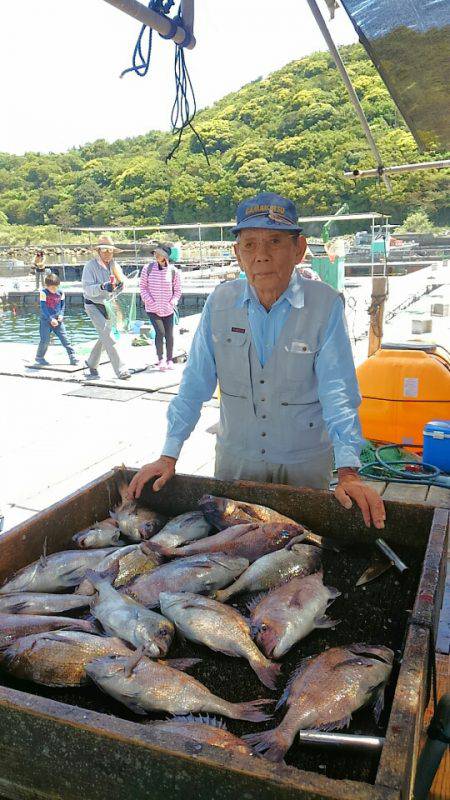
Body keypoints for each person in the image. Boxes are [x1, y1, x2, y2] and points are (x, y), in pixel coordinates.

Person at [128, 192, 385, 529]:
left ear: (299, 249)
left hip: (304, 466)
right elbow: (194, 385)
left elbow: (339, 393)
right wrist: (168, 455)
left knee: (299, 548)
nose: (261, 256)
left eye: (275, 241)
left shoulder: (325, 305)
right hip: (236, 463)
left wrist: (349, 472)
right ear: (237, 254)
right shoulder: (220, 302)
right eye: (249, 244)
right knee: (233, 548)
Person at [81, 234, 131, 380]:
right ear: (99, 251)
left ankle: (91, 363)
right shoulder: (90, 266)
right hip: (93, 305)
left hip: (110, 305)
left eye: (110, 251)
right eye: (105, 250)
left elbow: (121, 286)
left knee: (105, 337)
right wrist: (103, 286)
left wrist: (120, 286)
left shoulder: (115, 266)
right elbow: (87, 289)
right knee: (109, 337)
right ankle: (121, 370)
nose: (108, 253)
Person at [139, 243, 182, 371]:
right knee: (160, 332)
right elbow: (143, 287)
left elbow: (178, 290)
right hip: (153, 309)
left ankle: (169, 360)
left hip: (168, 308)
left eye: (159, 253)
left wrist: (173, 301)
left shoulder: (174, 271)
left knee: (169, 334)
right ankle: (160, 359)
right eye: (155, 253)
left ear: (166, 256)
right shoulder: (148, 268)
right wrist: (151, 302)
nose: (156, 255)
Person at [35, 273, 79, 366]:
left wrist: (61, 315)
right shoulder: (43, 293)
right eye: (52, 288)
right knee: (45, 340)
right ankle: (39, 357)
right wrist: (50, 319)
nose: (54, 290)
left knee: (65, 339)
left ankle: (72, 356)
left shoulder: (61, 292)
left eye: (56, 287)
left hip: (58, 320)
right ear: (47, 286)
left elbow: (63, 305)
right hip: (46, 321)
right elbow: (43, 307)